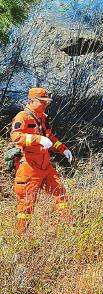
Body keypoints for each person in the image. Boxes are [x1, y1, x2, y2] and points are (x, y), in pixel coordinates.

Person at [9, 87, 73, 233]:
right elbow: (16, 137)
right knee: (26, 205)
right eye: (42, 102)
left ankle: (69, 229)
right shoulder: (22, 117)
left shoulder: (43, 117)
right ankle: (20, 238)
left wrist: (63, 149)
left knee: (60, 194)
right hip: (29, 168)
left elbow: (49, 137)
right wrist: (38, 139)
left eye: (47, 102)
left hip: (46, 167)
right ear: (32, 101)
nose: (45, 105)